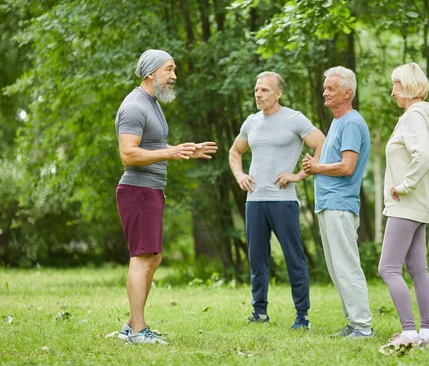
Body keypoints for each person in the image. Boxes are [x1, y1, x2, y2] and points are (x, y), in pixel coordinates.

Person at [115, 49, 218, 345]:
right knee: (142, 257)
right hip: (138, 190)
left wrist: (184, 150)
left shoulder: (151, 103)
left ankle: (132, 325)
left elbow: (151, 145)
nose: (174, 76)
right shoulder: (135, 106)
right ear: (150, 74)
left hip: (151, 190)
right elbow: (128, 154)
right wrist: (169, 153)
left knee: (153, 256)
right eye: (169, 70)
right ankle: (137, 330)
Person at [229, 71, 325, 329]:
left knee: (294, 257)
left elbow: (321, 144)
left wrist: (298, 175)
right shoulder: (251, 122)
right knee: (257, 258)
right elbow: (235, 151)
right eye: (256, 89)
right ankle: (259, 312)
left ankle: (302, 315)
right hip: (255, 201)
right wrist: (239, 174)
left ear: (278, 93)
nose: (258, 94)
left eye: (264, 90)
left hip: (283, 201)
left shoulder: (294, 119)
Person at [377, 62, 429, 356]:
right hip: (417, 204)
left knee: (388, 268)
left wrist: (403, 186)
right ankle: (428, 335)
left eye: (395, 84)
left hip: (407, 203)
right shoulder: (423, 117)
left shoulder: (414, 116)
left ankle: (408, 332)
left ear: (406, 87)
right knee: (418, 269)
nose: (392, 92)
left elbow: (424, 155)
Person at [301, 66, 373, 339]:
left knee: (347, 266)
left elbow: (347, 167)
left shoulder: (352, 122)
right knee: (335, 267)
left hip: (340, 204)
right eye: (325, 88)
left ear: (347, 93)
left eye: (331, 89)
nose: (325, 93)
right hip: (328, 203)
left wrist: (317, 168)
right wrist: (315, 165)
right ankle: (353, 323)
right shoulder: (337, 122)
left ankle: (363, 327)